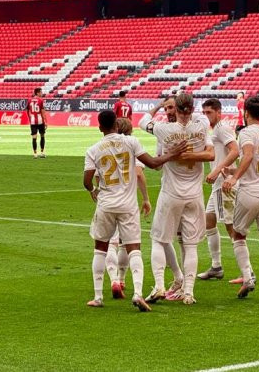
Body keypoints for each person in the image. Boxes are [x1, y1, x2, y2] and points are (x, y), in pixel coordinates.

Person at [83, 110, 186, 311]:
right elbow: (153, 163)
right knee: (134, 248)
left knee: (100, 248)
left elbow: (86, 181)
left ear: (100, 127)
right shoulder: (130, 142)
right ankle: (138, 294)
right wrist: (173, 153)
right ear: (116, 124)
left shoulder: (93, 150)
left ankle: (98, 297)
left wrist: (93, 190)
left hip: (106, 204)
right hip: (128, 205)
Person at [139, 93, 215, 305]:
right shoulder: (201, 124)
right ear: (191, 108)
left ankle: (160, 285)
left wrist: (158, 106)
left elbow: (143, 121)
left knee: (159, 239)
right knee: (191, 245)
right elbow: (210, 150)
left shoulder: (165, 129)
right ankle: (188, 292)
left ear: (176, 109)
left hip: (171, 193)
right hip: (194, 194)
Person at [222, 97, 259, 304]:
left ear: (246, 113)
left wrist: (234, 177)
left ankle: (247, 278)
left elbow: (247, 156)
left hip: (250, 193)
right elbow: (254, 162)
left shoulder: (246, 132)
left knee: (238, 235)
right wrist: (232, 170)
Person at [104, 118, 153, 299]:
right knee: (128, 243)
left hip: (108, 201)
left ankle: (114, 279)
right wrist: (146, 199)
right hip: (127, 202)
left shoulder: (103, 147)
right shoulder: (132, 147)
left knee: (110, 243)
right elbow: (139, 174)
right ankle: (123, 279)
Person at [197, 98, 242, 280]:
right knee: (209, 222)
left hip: (224, 184)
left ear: (218, 112)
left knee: (231, 228)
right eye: (204, 113)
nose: (207, 116)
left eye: (209, 112)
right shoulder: (215, 130)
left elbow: (235, 150)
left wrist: (216, 170)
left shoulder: (222, 128)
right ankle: (216, 267)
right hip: (218, 185)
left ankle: (247, 273)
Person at [26, 88, 48, 159]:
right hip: (40, 121)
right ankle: (42, 153)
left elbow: (27, 110)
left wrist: (30, 118)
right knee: (42, 136)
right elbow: (43, 112)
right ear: (37, 93)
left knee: (34, 137)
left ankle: (35, 154)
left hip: (33, 121)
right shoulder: (41, 100)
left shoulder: (29, 100)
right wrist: (46, 121)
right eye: (41, 92)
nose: (42, 94)